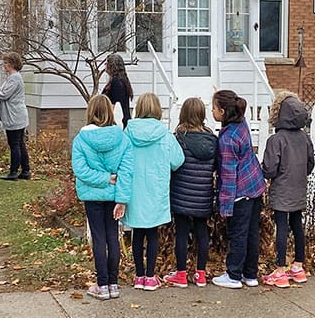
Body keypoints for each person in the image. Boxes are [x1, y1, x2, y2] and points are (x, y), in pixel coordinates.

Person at [71, 94, 133, 299]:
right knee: (113, 237)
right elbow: (127, 171)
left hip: (92, 196)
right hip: (114, 196)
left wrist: (103, 179)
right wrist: (121, 197)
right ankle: (113, 284)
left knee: (99, 238)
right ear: (110, 111)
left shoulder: (81, 140)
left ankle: (102, 285)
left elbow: (81, 170)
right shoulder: (122, 138)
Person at [123, 92, 184, 290]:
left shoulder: (128, 134)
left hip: (134, 190)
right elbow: (178, 160)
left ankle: (138, 275)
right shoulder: (164, 135)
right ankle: (150, 276)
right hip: (156, 190)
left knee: (137, 233)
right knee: (152, 234)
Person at [212, 89, 266, 290]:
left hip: (240, 193)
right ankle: (250, 274)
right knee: (251, 233)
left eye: (214, 108)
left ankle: (234, 275)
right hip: (254, 186)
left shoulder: (227, 140)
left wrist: (225, 206)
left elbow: (228, 175)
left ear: (223, 112)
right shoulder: (241, 124)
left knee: (238, 234)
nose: (212, 111)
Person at [261, 93, 315, 288]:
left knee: (282, 228)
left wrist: (265, 172)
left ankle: (280, 269)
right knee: (297, 225)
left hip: (282, 189)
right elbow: (310, 164)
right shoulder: (305, 138)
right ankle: (298, 266)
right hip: (298, 187)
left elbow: (270, 168)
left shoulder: (276, 139)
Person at [165, 96, 217, 288]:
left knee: (181, 233)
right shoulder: (212, 140)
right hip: (203, 194)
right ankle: (200, 274)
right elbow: (216, 167)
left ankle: (181, 274)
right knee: (202, 232)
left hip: (181, 194)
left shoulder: (178, 138)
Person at [0, 53, 30, 181]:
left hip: (14, 116)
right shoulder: (13, 78)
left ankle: (14, 172)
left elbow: (4, 95)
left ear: (12, 64)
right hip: (17, 115)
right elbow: (3, 91)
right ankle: (25, 170)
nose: (4, 65)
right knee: (20, 143)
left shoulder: (14, 78)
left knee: (15, 144)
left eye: (6, 63)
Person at [102, 53, 133, 128]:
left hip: (118, 123)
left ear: (112, 66)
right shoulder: (120, 81)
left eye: (107, 63)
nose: (104, 64)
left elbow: (117, 105)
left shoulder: (117, 83)